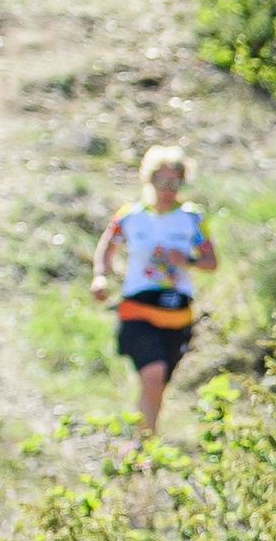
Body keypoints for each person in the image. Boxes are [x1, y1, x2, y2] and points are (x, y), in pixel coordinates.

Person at [90, 145, 215, 435]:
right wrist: (100, 276)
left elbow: (212, 261)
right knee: (153, 374)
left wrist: (188, 260)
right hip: (137, 309)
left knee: (158, 384)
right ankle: (140, 446)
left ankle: (146, 442)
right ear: (149, 180)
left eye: (175, 182)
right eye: (162, 182)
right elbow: (107, 246)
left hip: (176, 314)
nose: (168, 189)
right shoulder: (130, 216)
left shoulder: (192, 218)